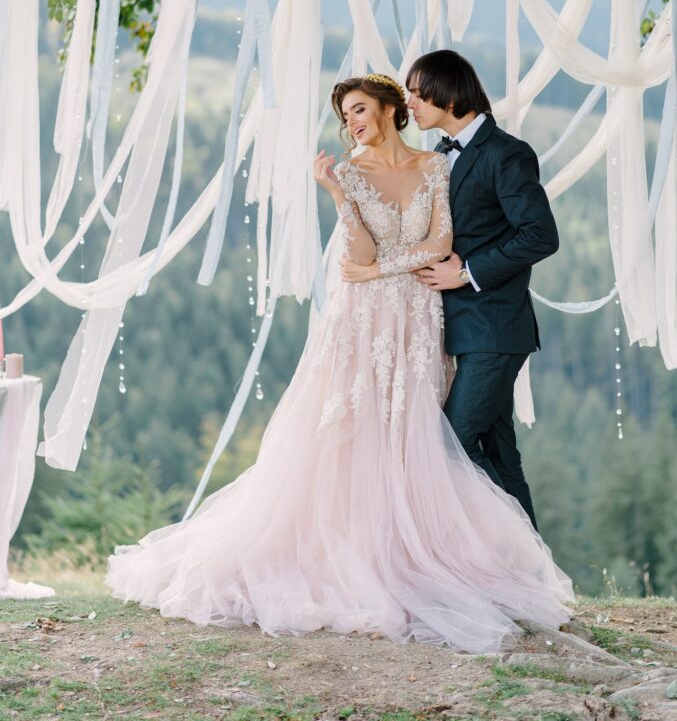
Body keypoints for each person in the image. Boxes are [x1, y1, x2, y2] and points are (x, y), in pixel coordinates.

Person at [106, 73, 572, 651]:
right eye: (344, 114)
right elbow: (356, 254)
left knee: (418, 435)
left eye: (358, 109)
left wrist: (381, 271)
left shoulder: (435, 167)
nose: (350, 122)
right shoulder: (348, 173)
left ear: (387, 109)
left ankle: (472, 560)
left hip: (420, 318)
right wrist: (336, 195)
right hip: (363, 322)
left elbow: (440, 245)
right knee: (353, 434)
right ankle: (367, 557)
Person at [406, 50, 560, 531]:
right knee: (497, 451)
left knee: (448, 442)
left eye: (416, 91)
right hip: (460, 330)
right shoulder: (437, 156)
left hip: (495, 326)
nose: (409, 102)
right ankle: (532, 573)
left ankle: (504, 557)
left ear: (447, 92)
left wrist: (467, 272)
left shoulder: (506, 153)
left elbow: (540, 235)